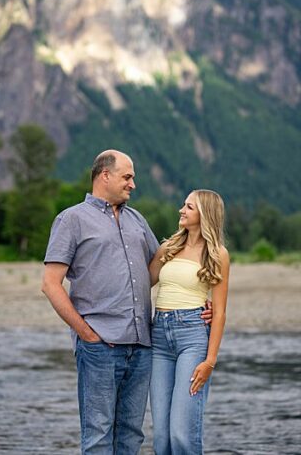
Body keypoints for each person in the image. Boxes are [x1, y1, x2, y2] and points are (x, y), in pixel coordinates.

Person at [41, 150, 159, 454]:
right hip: (99, 346)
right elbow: (50, 284)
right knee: (98, 435)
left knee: (132, 436)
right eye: (127, 176)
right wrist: (86, 334)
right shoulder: (71, 219)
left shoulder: (137, 220)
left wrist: (197, 299)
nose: (133, 184)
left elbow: (156, 271)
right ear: (104, 175)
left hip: (141, 345)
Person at [147, 190, 229, 455]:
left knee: (181, 434)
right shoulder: (169, 246)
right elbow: (141, 282)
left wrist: (210, 361)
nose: (181, 210)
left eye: (189, 207)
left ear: (204, 214)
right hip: (159, 336)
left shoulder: (217, 253)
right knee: (161, 437)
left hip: (192, 337)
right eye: (183, 205)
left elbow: (219, 313)